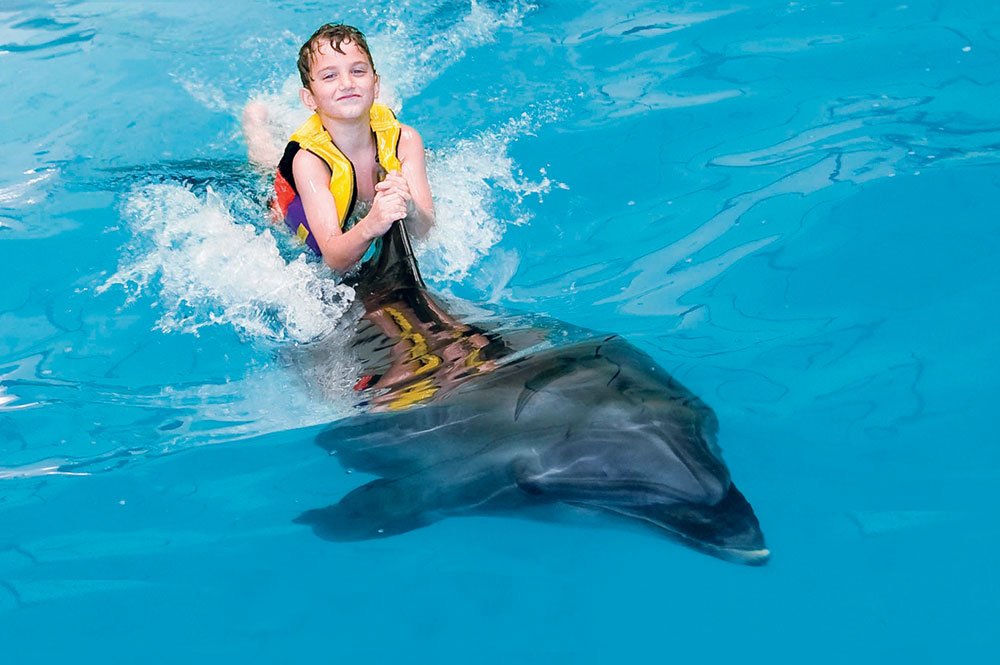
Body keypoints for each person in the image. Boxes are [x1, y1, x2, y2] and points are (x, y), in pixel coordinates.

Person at [246, 24, 434, 272]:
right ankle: (255, 125)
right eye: (329, 76)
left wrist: (410, 208)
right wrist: (371, 224)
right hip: (291, 192)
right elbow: (333, 257)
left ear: (375, 85)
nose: (346, 83)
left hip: (365, 135)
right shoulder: (309, 162)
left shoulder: (406, 141)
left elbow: (425, 227)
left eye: (357, 71)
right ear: (309, 98)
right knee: (265, 165)